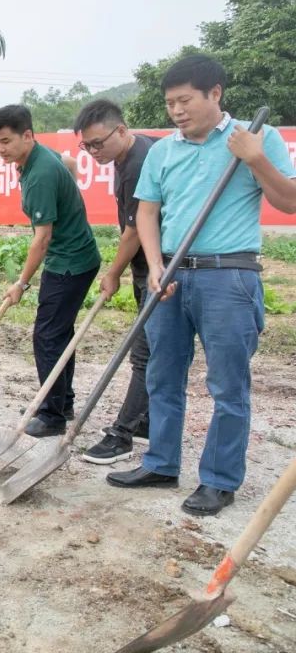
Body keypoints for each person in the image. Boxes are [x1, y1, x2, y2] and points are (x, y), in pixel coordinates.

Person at [107, 54, 296, 516]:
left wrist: (256, 161)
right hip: (169, 275)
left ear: (215, 93)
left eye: (185, 100)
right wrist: (152, 265)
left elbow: (289, 202)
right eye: (170, 103)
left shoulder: (255, 139)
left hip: (227, 276)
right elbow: (147, 211)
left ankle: (219, 479)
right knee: (162, 375)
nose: (177, 110)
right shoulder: (164, 152)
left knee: (228, 385)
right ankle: (161, 462)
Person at [0, 104, 101, 437]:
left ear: (27, 135)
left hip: (69, 263)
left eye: (6, 141)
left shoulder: (40, 175)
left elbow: (42, 238)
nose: (0, 150)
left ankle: (52, 416)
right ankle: (61, 400)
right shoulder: (40, 158)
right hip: (78, 257)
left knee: (47, 335)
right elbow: (70, 163)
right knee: (60, 333)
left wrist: (21, 283)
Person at [72, 100, 157, 464]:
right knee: (155, 352)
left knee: (144, 353)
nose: (92, 153)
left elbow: (135, 230)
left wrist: (112, 273)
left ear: (121, 130)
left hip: (159, 269)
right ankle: (147, 422)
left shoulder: (140, 162)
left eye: (97, 144)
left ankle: (122, 434)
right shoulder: (127, 156)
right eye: (86, 146)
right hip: (150, 267)